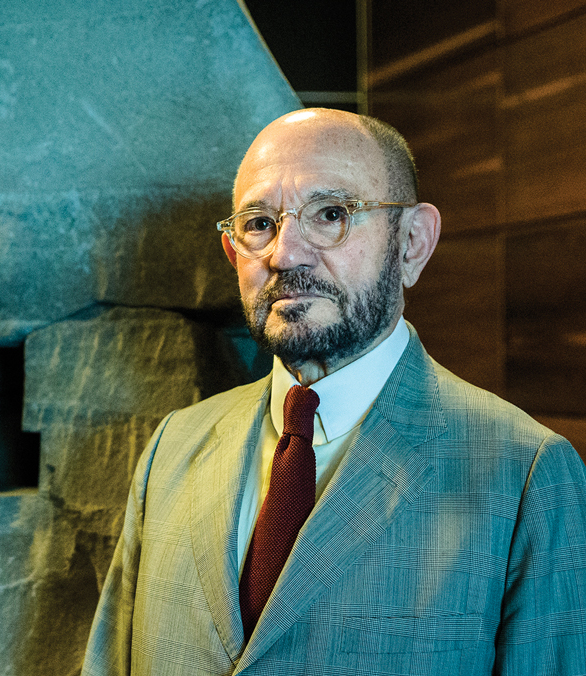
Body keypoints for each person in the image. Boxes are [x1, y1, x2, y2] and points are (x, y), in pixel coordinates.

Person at [81, 108, 586, 675]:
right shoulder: (172, 446)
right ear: (233, 254)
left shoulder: (526, 475)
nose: (285, 254)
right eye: (259, 223)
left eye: (331, 214)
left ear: (412, 242)